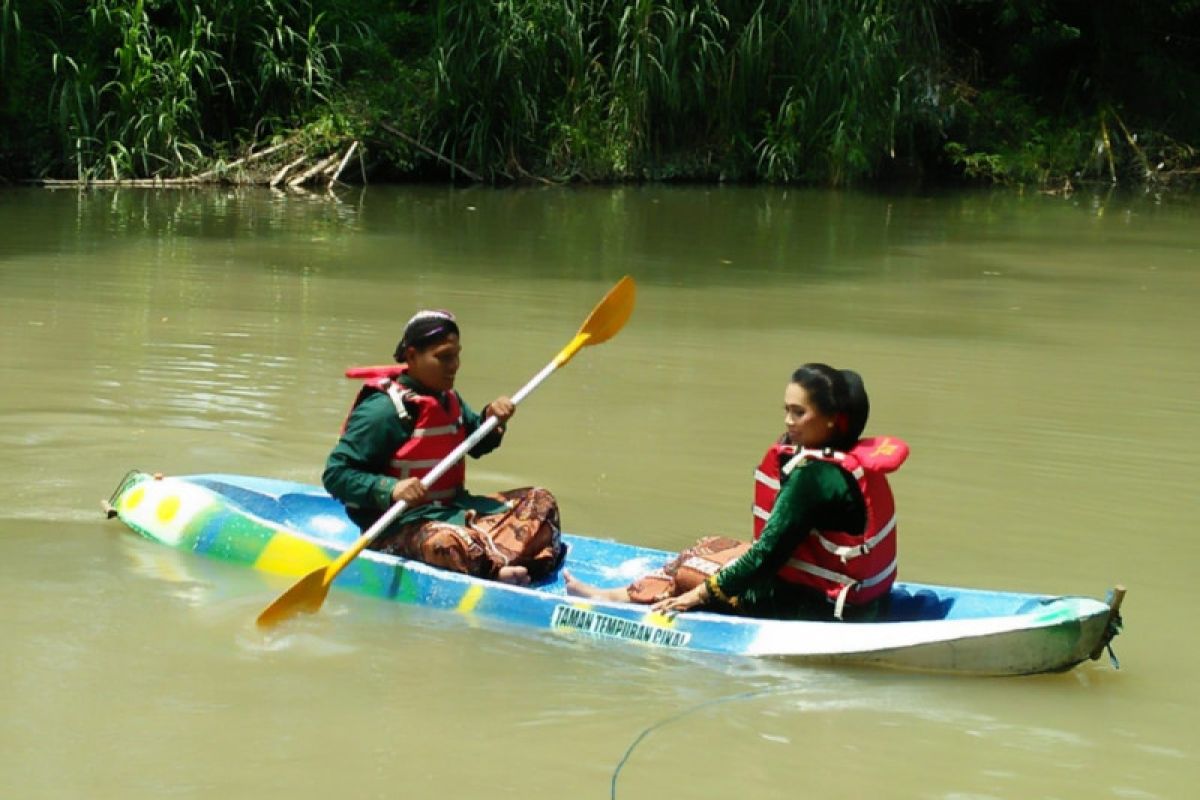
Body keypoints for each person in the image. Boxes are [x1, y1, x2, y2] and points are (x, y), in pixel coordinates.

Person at [564, 363, 908, 620]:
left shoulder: (814, 477)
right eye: (786, 411)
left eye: (799, 413)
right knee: (712, 545)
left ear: (832, 419)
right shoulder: (852, 460)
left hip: (820, 606)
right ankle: (627, 592)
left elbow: (765, 558)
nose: (788, 422)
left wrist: (697, 596)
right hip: (863, 597)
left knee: (693, 568)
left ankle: (615, 598)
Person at [323, 309, 564, 586]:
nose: (455, 365)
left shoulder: (447, 398)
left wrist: (492, 418)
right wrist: (390, 489)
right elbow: (336, 474)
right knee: (449, 543)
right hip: (399, 526)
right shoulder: (383, 411)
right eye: (444, 357)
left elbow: (477, 443)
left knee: (540, 500)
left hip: (452, 510)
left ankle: (495, 560)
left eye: (457, 355)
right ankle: (499, 567)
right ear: (412, 356)